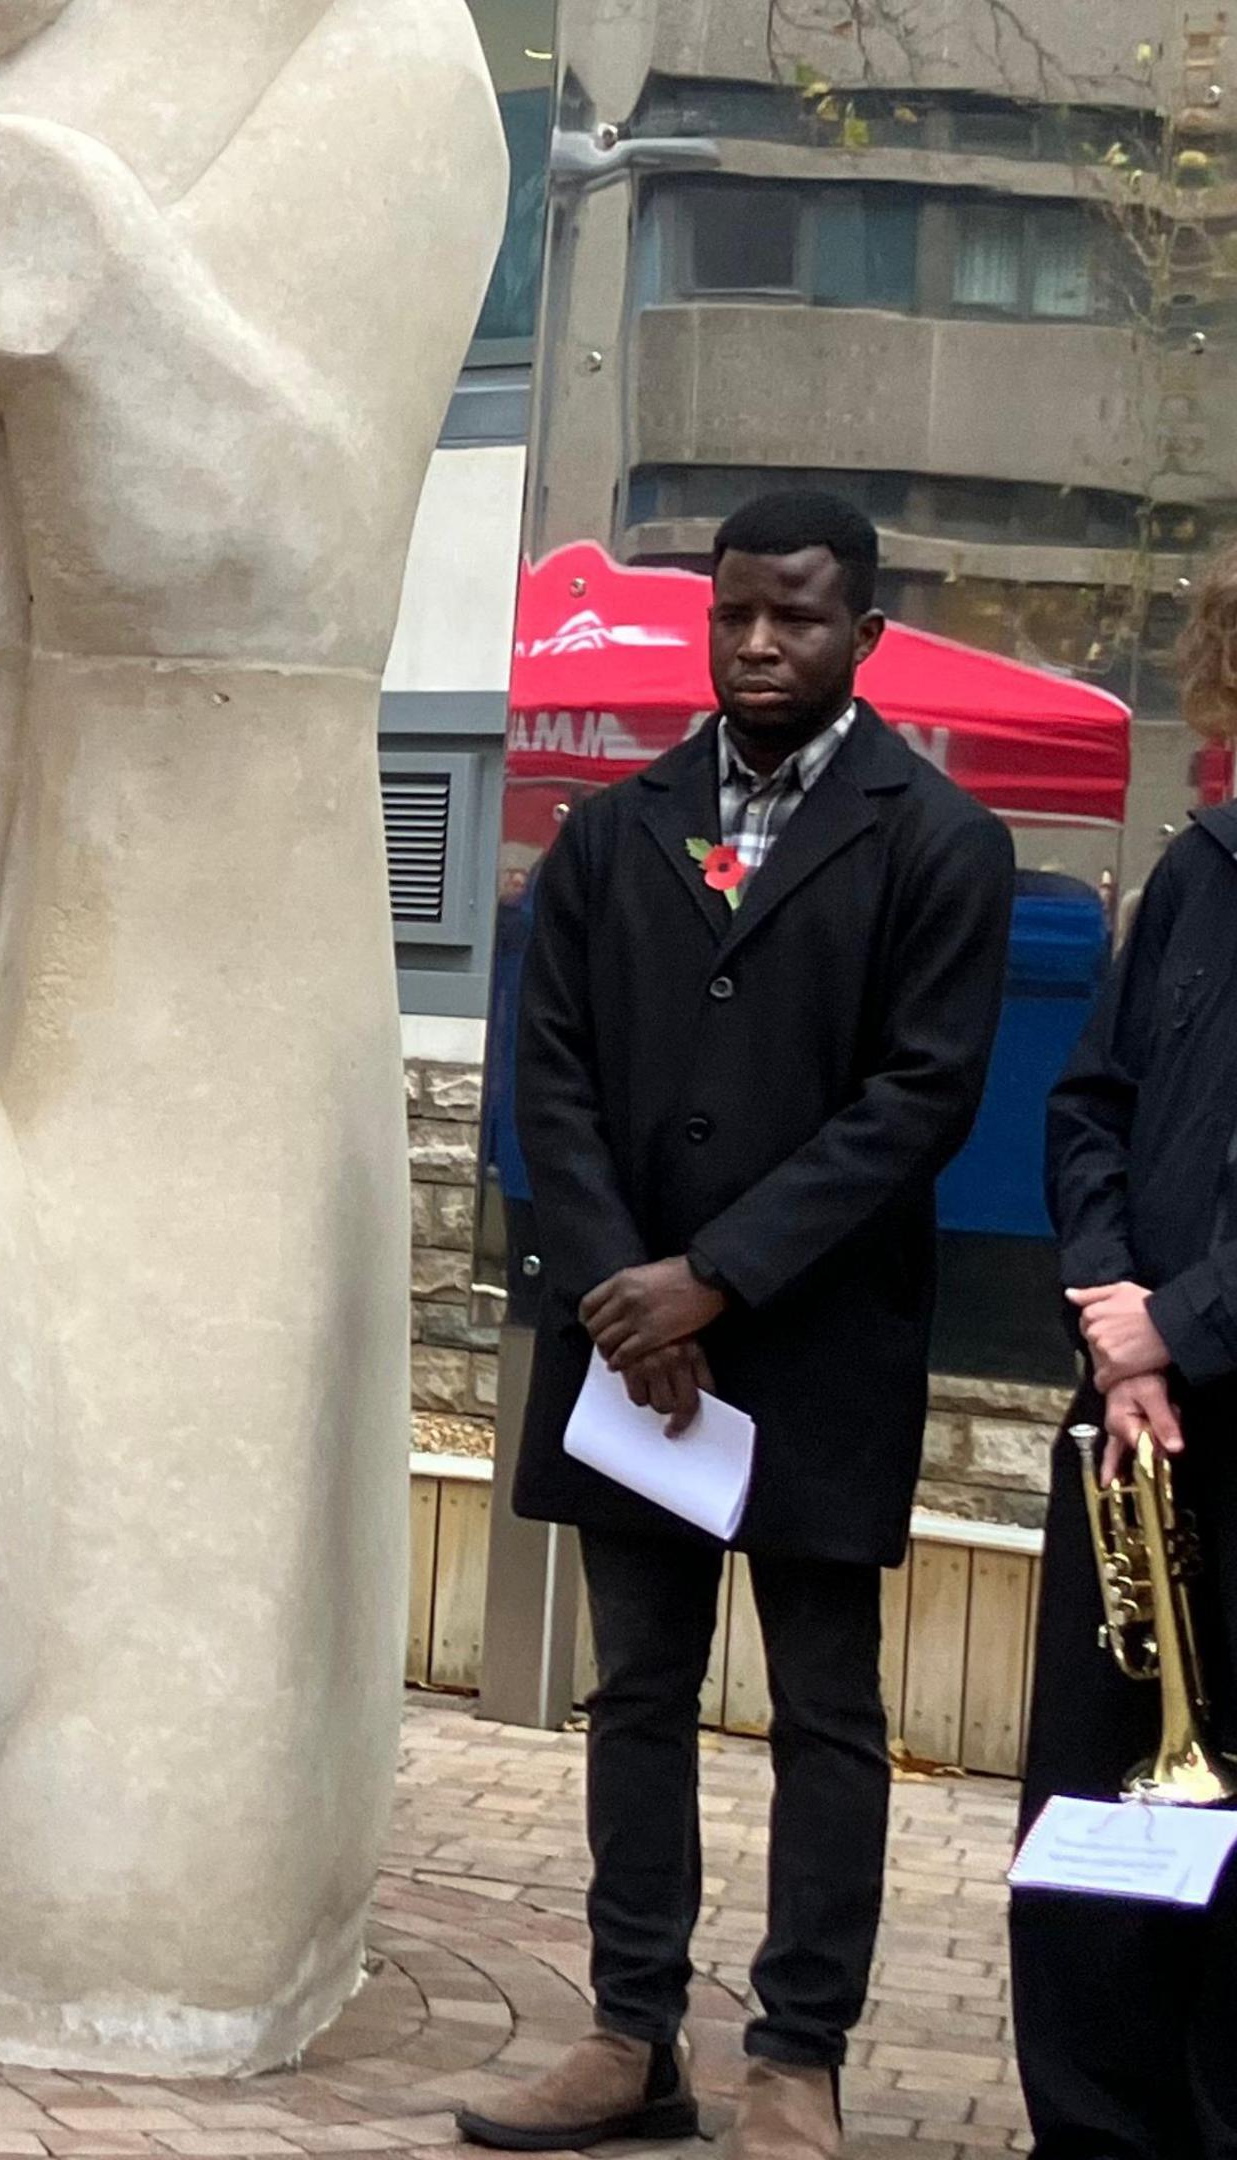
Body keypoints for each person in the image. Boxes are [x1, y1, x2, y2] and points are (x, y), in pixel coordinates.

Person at [461, 490, 1014, 2160]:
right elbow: (551, 1073)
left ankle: (796, 2062)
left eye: (798, 616)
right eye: (736, 615)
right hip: (633, 1352)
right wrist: (627, 1290)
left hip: (814, 1348)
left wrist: (717, 1274)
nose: (760, 643)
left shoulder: (940, 843)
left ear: (867, 633)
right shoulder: (612, 835)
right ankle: (633, 2035)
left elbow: (921, 1100)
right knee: (636, 1693)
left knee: (827, 1715)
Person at [1015, 542, 1237, 2158]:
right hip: (1142, 1430)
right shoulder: (1200, 875)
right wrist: (1117, 1318)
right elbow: (1091, 1106)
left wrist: (1188, 1321)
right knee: (1097, 1817)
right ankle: (1096, 2132)